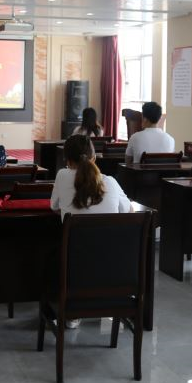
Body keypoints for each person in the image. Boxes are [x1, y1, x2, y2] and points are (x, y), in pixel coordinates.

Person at [51, 134, 133, 328]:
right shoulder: (110, 182)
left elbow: (53, 206)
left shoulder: (62, 176)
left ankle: (73, 314)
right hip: (112, 266)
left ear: (67, 161)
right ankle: (110, 305)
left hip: (75, 266)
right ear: (94, 158)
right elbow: (128, 211)